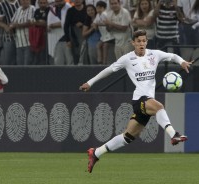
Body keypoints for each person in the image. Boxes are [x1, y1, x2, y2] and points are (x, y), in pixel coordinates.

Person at [79, 30, 192, 173]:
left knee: (128, 137)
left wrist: (182, 62)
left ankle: (96, 153)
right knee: (159, 107)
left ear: (147, 42)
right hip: (139, 99)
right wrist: (90, 82)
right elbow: (109, 70)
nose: (142, 44)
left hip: (147, 101)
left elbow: (172, 56)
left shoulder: (154, 55)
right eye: (138, 41)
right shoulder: (127, 58)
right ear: (133, 43)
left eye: (144, 41)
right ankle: (173, 134)